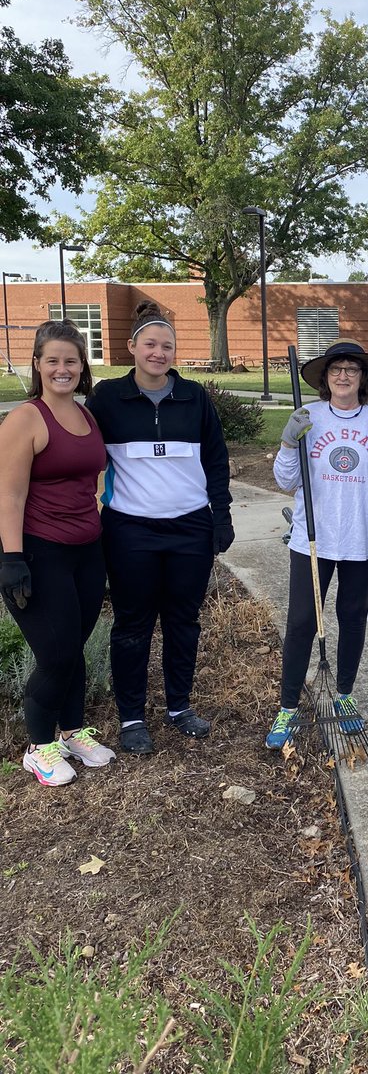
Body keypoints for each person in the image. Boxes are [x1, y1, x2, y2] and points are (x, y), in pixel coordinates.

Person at [86, 301, 233, 754]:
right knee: (132, 623)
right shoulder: (107, 398)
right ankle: (132, 718)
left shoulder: (194, 397)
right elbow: (80, 450)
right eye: (150, 343)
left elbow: (215, 459)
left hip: (189, 528)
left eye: (167, 346)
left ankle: (178, 707)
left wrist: (221, 514)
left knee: (183, 620)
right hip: (130, 530)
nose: (158, 352)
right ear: (132, 347)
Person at [0, 320, 113, 786]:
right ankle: (38, 746)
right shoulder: (26, 418)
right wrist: (11, 558)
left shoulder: (87, 416)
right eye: (53, 361)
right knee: (57, 651)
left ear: (82, 366)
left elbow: (93, 480)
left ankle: (71, 731)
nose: (62, 369)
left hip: (87, 550)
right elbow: (8, 495)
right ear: (38, 364)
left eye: (71, 360)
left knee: (75, 645)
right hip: (38, 551)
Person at [266, 341, 368, 748]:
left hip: (362, 538)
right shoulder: (309, 416)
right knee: (302, 622)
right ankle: (288, 706)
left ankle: (343, 695)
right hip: (312, 540)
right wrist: (289, 442)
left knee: (353, 618)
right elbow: (286, 482)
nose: (343, 375)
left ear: (363, 377)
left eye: (351, 369)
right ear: (325, 378)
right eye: (336, 369)